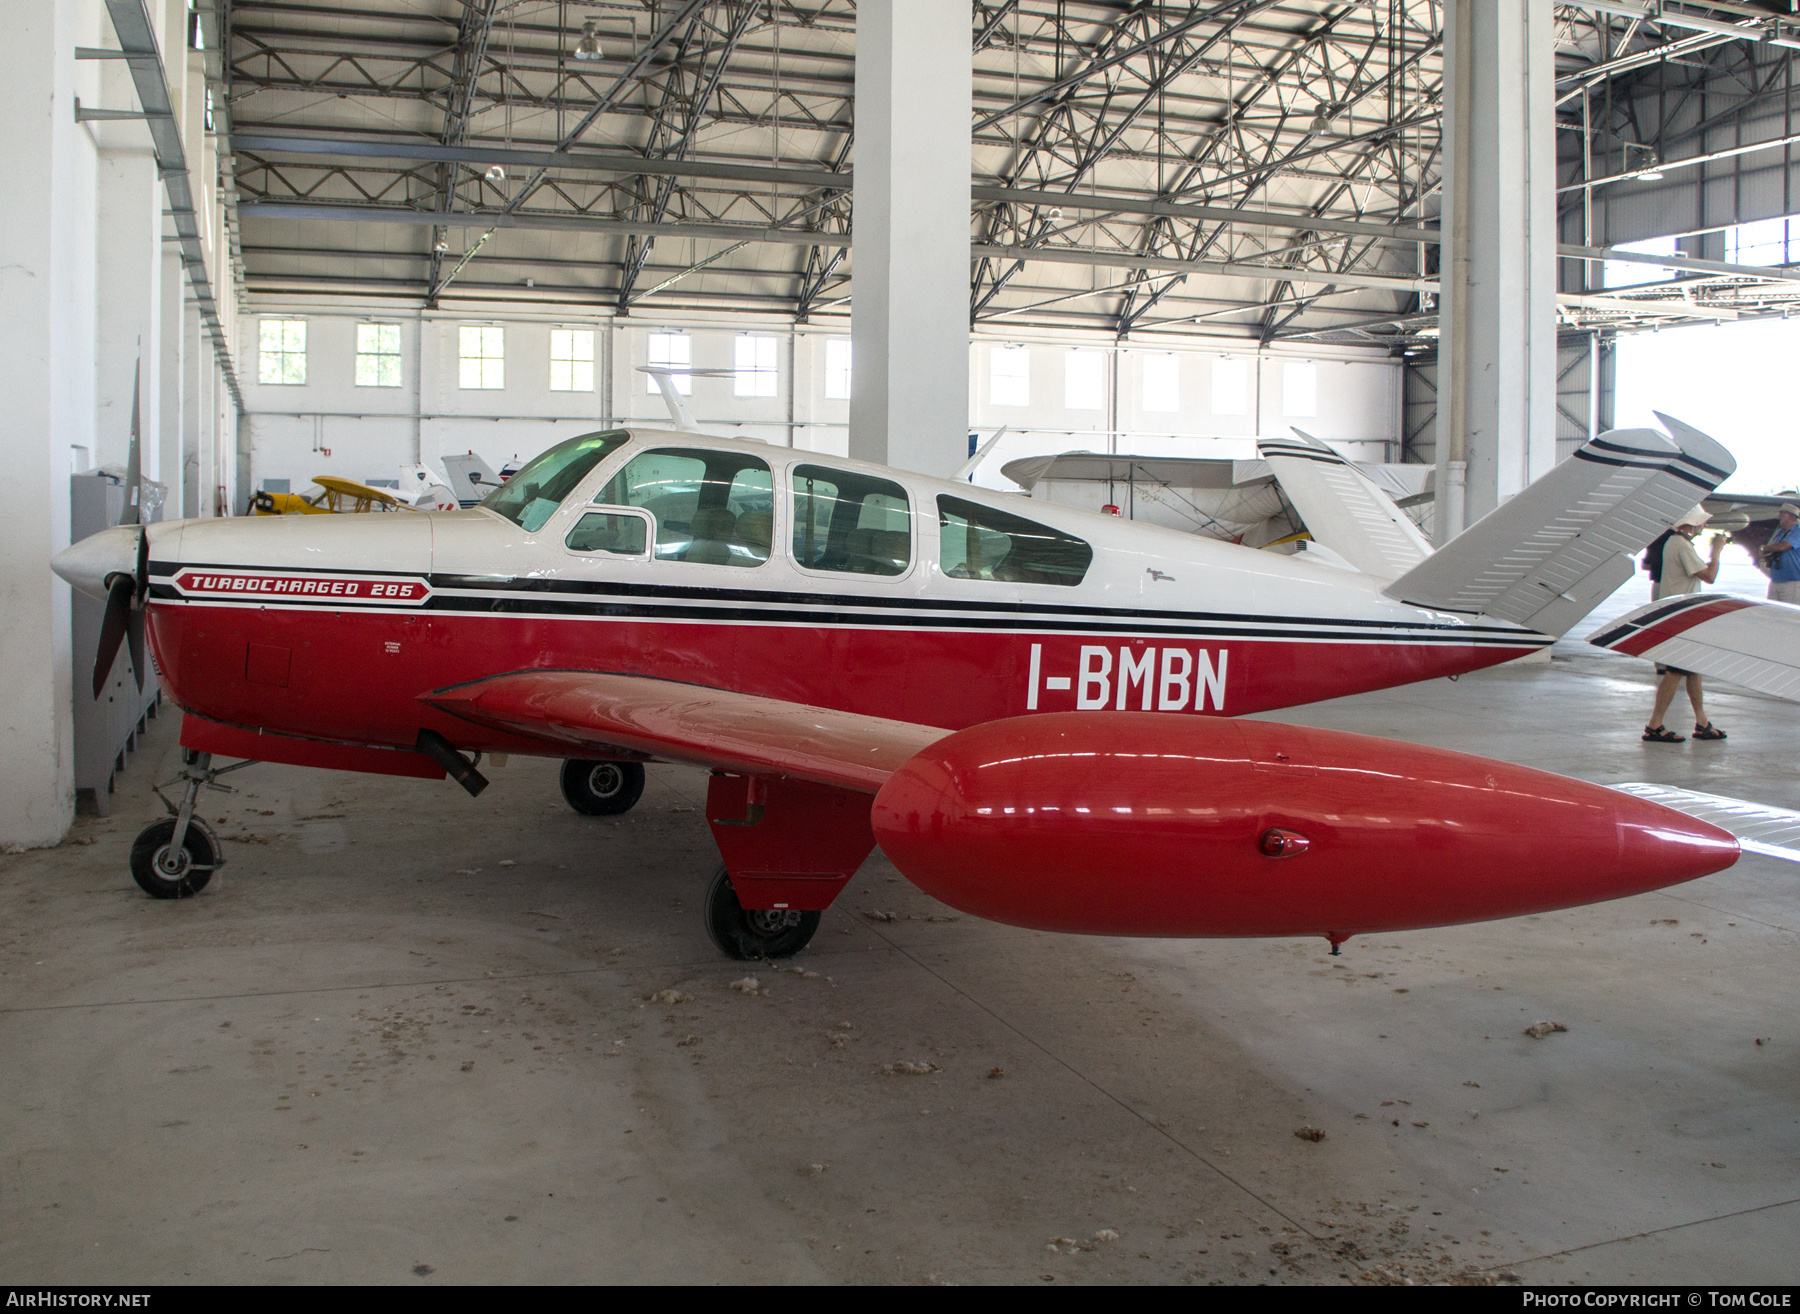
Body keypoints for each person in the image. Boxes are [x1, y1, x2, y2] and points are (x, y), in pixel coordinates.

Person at [1643, 506, 1726, 743]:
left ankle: (1702, 722)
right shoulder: (1681, 545)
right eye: (1700, 523)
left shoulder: (1675, 542)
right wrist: (1716, 551)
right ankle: (1654, 724)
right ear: (1691, 525)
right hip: (1681, 618)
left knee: (1692, 671)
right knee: (1675, 672)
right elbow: (1709, 576)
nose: (1703, 526)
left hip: (1679, 616)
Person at [1760, 503, 1800, 604]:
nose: (1779, 517)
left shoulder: (1797, 532)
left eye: (1782, 514)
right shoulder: (1780, 532)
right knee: (1772, 612)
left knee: (1790, 613)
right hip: (1776, 580)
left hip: (1791, 583)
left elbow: (1782, 546)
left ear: (1790, 516)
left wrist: (1764, 548)